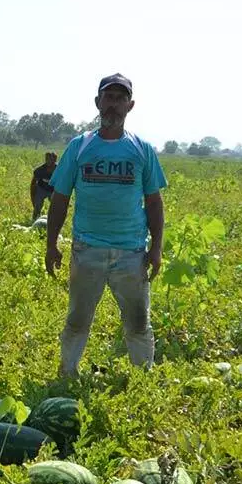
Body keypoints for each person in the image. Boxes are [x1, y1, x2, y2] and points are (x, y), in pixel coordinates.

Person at [46, 73, 167, 376]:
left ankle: (143, 378)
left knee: (138, 322)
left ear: (131, 105)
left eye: (120, 98)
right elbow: (60, 198)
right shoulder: (80, 147)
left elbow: (154, 202)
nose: (113, 105)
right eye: (108, 98)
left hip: (131, 253)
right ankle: (67, 373)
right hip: (87, 249)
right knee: (77, 320)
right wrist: (51, 244)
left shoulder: (142, 149)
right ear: (97, 102)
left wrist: (156, 248)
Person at [31, 152, 57, 221]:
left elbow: (63, 182)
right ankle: (34, 219)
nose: (48, 161)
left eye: (50, 159)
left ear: (55, 160)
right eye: (47, 159)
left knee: (56, 206)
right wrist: (33, 197)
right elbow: (33, 184)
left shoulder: (59, 170)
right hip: (41, 189)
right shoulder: (39, 170)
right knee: (37, 205)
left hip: (53, 190)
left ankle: (55, 220)